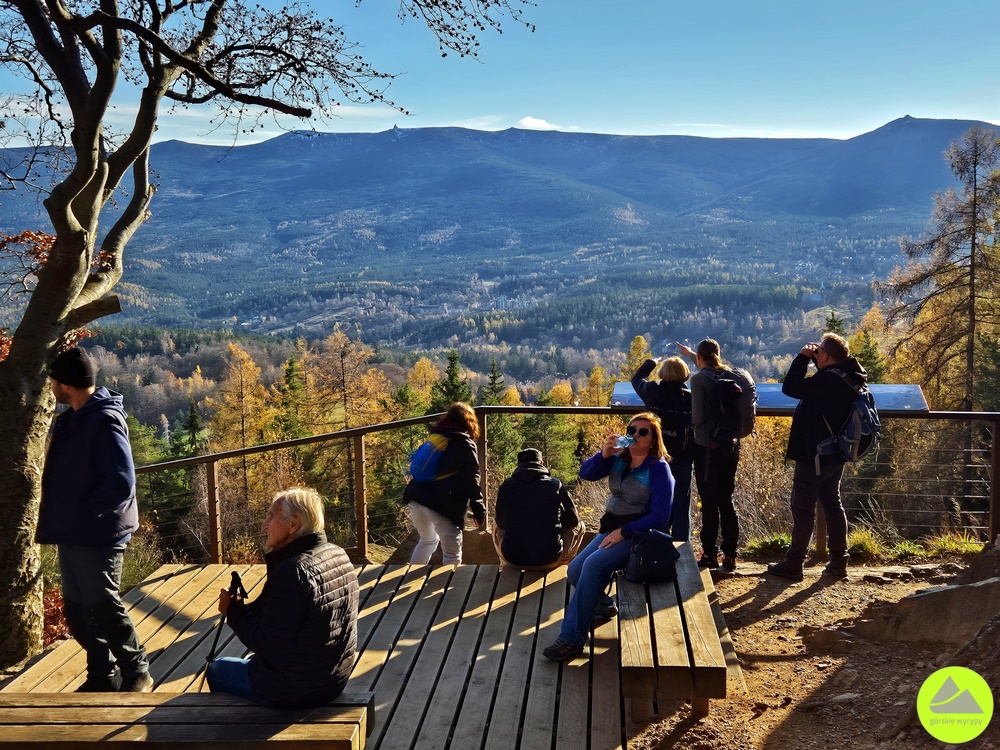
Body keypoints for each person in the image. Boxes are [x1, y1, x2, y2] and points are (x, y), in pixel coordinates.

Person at [37, 347, 153, 692]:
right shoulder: (73, 417)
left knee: (102, 604)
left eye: (54, 380)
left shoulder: (104, 420)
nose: (52, 386)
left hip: (98, 532)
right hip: (73, 531)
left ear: (67, 384)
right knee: (77, 610)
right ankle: (100, 675)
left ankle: (138, 672)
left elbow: (121, 481)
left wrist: (82, 513)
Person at [208, 487, 359, 707]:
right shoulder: (337, 554)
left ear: (294, 524)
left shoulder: (292, 572)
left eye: (271, 516)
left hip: (297, 690)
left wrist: (232, 610)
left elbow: (269, 647)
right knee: (250, 663)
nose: (264, 525)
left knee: (217, 668)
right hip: (334, 680)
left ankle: (239, 734)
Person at [542, 413, 673, 662]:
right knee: (575, 571)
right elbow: (586, 474)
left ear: (654, 439)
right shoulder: (620, 458)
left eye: (643, 432)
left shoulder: (659, 468)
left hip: (639, 537)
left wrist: (624, 532)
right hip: (611, 528)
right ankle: (604, 605)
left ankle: (571, 639)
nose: (635, 435)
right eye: (631, 429)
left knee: (592, 567)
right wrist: (603, 453)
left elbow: (660, 516)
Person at [767, 333, 867, 581]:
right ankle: (839, 560)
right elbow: (824, 380)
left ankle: (794, 563)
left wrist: (802, 358)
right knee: (833, 504)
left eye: (819, 351)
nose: (815, 353)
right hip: (836, 453)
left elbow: (790, 386)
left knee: (802, 509)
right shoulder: (849, 376)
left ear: (828, 356)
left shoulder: (827, 382)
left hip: (815, 454)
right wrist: (817, 360)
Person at [677, 339, 747, 572]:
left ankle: (708, 554)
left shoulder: (698, 379)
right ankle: (730, 555)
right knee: (727, 499)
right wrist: (690, 354)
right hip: (731, 445)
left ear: (700, 358)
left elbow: (697, 419)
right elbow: (708, 371)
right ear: (718, 354)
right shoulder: (730, 374)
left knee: (709, 502)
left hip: (707, 448)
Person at [406, 402, 487, 565]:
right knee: (452, 554)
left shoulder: (436, 437)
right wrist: (479, 509)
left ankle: (409, 581)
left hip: (416, 497)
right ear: (469, 421)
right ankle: (448, 591)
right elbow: (472, 478)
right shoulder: (464, 443)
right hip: (442, 503)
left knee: (427, 541)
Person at [631, 356, 694, 541]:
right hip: (682, 455)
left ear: (662, 373)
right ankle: (682, 547)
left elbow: (636, 379)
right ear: (684, 375)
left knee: (655, 500)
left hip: (654, 455)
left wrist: (650, 362)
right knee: (682, 502)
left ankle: (656, 542)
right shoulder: (691, 399)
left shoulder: (652, 392)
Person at [492, 448, 586, 570]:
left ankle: (505, 566)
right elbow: (573, 521)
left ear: (518, 464)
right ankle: (564, 566)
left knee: (494, 524)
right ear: (541, 463)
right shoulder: (555, 484)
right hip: (550, 558)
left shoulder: (506, 485)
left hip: (513, 559)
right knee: (580, 526)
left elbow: (500, 522)